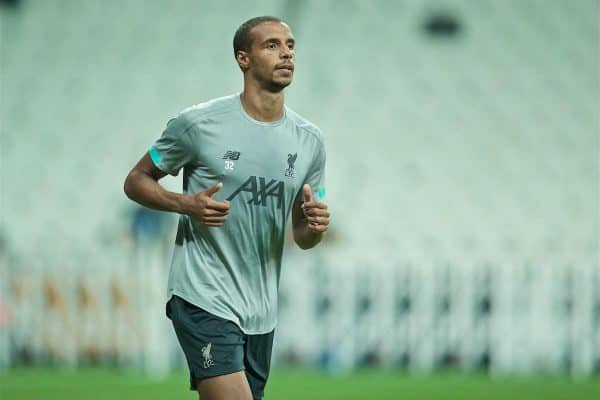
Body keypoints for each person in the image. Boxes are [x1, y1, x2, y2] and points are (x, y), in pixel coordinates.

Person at [124, 16, 330, 400]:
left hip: (261, 310)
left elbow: (303, 236)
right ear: (243, 59)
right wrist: (186, 204)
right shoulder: (199, 124)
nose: (286, 52)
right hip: (203, 294)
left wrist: (315, 227)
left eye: (290, 45)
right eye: (271, 45)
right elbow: (136, 181)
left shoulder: (309, 142)